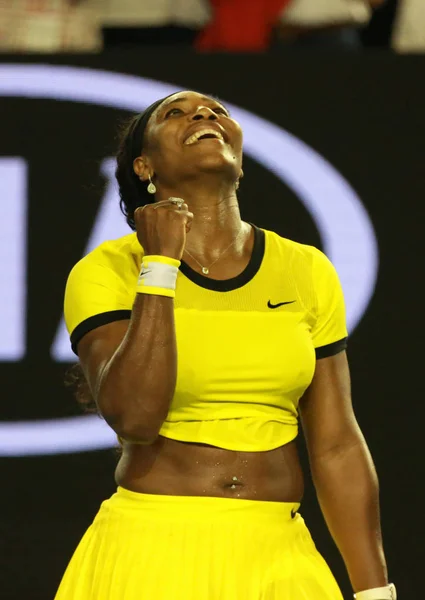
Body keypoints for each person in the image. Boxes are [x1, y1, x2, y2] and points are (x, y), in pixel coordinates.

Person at [55, 91, 396, 600]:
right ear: (145, 166)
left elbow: (337, 443)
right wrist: (160, 267)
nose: (205, 115)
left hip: (280, 555)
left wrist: (375, 592)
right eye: (176, 112)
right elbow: (135, 416)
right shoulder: (107, 271)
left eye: (218, 111)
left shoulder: (307, 269)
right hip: (151, 549)